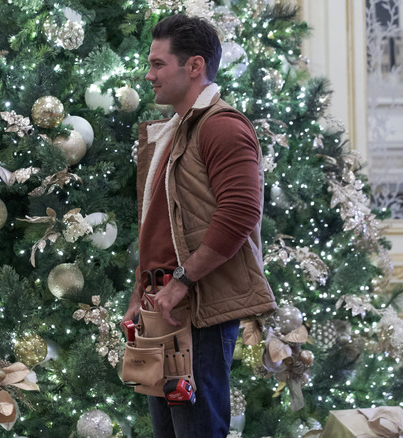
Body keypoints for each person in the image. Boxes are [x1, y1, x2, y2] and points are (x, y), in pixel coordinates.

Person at [122, 14, 277, 437]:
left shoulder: (222, 126)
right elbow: (160, 225)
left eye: (158, 64)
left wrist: (181, 282)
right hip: (165, 308)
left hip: (198, 311)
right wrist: (143, 291)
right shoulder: (171, 132)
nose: (148, 75)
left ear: (194, 66)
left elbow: (241, 213)